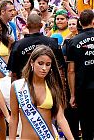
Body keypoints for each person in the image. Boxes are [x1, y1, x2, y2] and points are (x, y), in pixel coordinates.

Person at [9, 45, 74, 140]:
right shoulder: (18, 87)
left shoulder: (54, 87)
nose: (44, 68)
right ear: (32, 62)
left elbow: (61, 118)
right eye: (40, 63)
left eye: (48, 64)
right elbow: (14, 118)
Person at [7, 13, 65, 82]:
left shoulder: (18, 45)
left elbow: (14, 74)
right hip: (48, 86)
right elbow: (60, 70)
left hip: (26, 87)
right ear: (41, 25)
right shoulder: (52, 43)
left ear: (27, 26)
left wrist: (14, 91)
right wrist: (61, 90)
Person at [67, 9, 94, 140]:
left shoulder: (73, 41)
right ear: (93, 21)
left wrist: (72, 95)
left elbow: (71, 70)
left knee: (86, 126)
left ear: (79, 23)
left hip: (82, 90)